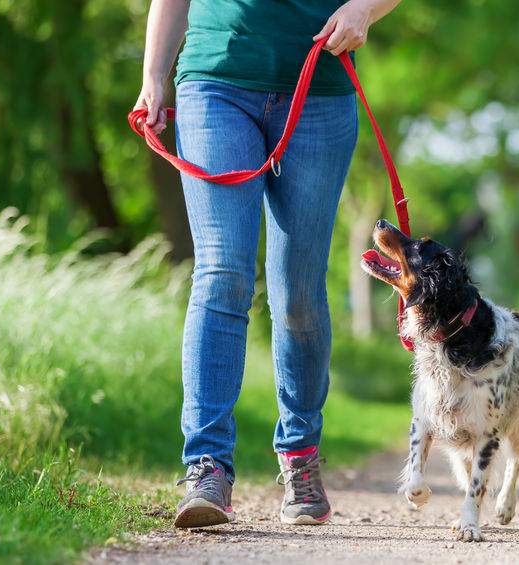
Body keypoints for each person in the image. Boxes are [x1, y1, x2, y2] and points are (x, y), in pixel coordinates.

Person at [134, 0, 402, 528]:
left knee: (297, 292)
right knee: (221, 274)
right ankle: (207, 466)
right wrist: (153, 77)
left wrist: (364, 11)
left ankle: (301, 457)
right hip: (216, 81)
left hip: (319, 89)